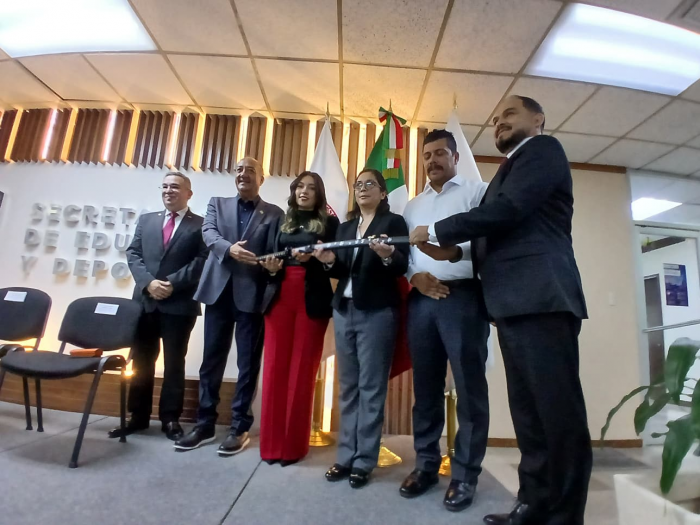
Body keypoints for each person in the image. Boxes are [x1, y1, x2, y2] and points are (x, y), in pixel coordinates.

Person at [409, 95, 591, 525]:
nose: (499, 122)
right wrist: (453, 253)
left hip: (542, 300)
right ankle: (532, 506)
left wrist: (437, 229)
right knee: (529, 416)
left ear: (538, 118)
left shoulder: (543, 151)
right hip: (511, 305)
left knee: (556, 415)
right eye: (495, 118)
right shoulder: (508, 170)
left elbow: (508, 211)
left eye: (510, 113)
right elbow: (498, 234)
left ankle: (564, 517)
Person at [399, 129, 490, 512]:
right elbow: (405, 256)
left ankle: (465, 475)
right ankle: (426, 464)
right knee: (426, 388)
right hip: (421, 300)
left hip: (463, 297)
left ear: (455, 157)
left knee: (469, 387)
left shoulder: (476, 193)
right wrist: (414, 278)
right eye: (426, 155)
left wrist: (449, 255)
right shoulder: (412, 206)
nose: (432, 160)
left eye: (440, 153)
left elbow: (486, 244)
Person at [175, 157, 284, 455]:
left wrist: (274, 265)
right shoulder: (217, 204)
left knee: (247, 365)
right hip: (218, 293)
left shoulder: (274, 213)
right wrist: (229, 249)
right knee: (211, 361)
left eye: (250, 170)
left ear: (261, 179)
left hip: (252, 295)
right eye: (239, 169)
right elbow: (209, 234)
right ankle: (205, 424)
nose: (243, 174)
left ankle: (239, 427)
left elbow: (276, 251)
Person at [313, 168, 409, 489]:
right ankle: (345, 457)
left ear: (383, 193)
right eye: (358, 184)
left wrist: (388, 254)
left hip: (378, 311)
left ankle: (364, 460)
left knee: (371, 387)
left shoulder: (393, 222)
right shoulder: (345, 227)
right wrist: (328, 260)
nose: (363, 188)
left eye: (370, 184)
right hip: (344, 310)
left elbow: (402, 264)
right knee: (348, 387)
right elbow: (341, 268)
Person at [109, 172, 206, 441]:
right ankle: (138, 417)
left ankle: (170, 419)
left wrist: (172, 283)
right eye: (164, 186)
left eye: (175, 186)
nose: (168, 190)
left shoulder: (201, 225)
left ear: (188, 193)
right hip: (144, 302)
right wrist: (149, 283)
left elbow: (202, 260)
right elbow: (133, 253)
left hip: (179, 304)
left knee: (174, 363)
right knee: (141, 360)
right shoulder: (147, 220)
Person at [258, 171, 340, 466]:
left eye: (311, 188)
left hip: (312, 297)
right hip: (279, 296)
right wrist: (271, 268)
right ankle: (271, 446)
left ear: (319, 195)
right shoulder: (279, 221)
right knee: (274, 368)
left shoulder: (330, 223)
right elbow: (267, 259)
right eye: (300, 187)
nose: (304, 191)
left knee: (302, 371)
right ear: (293, 191)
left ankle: (293, 447)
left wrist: (316, 261)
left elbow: (337, 265)